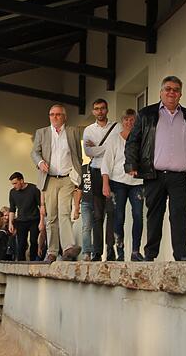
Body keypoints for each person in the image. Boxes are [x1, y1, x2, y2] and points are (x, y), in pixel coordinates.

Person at [125, 76, 186, 262]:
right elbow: (133, 141)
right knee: (154, 214)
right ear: (161, 92)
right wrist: (131, 164)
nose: (172, 92)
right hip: (154, 174)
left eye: (176, 89)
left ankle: (182, 254)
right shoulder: (146, 115)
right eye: (168, 89)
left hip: (181, 176)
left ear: (181, 94)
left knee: (179, 215)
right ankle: (150, 254)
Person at [31, 103, 83, 262]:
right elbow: (35, 152)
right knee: (51, 215)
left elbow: (77, 155)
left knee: (64, 212)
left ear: (64, 117)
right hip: (50, 179)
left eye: (58, 114)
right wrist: (40, 163)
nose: (55, 117)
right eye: (52, 114)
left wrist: (77, 175)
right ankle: (52, 251)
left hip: (67, 178)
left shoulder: (73, 131)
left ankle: (68, 247)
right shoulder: (42, 132)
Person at [102, 109, 145, 262]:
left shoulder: (142, 139)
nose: (129, 122)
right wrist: (105, 184)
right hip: (117, 182)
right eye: (126, 119)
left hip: (137, 183)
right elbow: (106, 163)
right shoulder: (114, 139)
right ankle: (120, 251)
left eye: (132, 119)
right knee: (118, 217)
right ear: (122, 122)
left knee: (138, 216)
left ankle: (135, 251)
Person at [83, 98, 119, 261]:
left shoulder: (117, 127)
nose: (100, 111)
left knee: (112, 212)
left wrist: (97, 147)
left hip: (114, 173)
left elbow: (118, 149)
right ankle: (97, 251)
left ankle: (110, 250)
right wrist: (106, 148)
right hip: (96, 171)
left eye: (102, 108)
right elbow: (89, 152)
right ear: (93, 111)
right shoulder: (88, 130)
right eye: (96, 109)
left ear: (107, 109)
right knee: (98, 214)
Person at [8, 172, 42, 261]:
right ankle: (20, 262)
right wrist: (10, 223)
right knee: (21, 243)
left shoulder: (34, 189)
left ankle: (33, 260)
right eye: (12, 184)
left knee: (33, 241)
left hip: (34, 219)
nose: (14, 186)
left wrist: (42, 220)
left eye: (15, 183)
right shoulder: (12, 192)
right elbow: (12, 209)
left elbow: (41, 205)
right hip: (21, 220)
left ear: (22, 181)